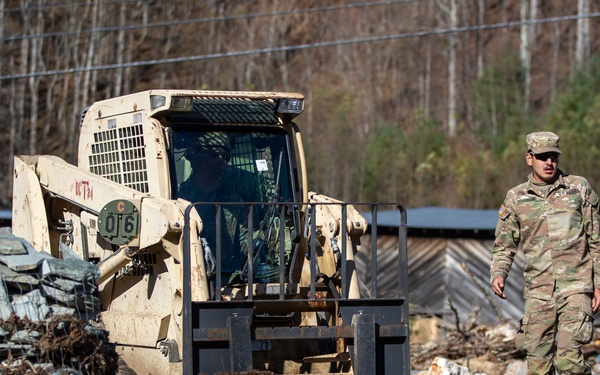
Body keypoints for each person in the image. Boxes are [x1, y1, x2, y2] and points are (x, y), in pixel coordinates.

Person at [491, 131, 600, 375]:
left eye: (553, 157)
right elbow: (504, 245)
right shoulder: (516, 198)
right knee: (538, 365)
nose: (549, 163)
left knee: (568, 361)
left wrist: (599, 284)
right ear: (529, 158)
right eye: (542, 157)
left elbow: (596, 240)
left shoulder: (578, 188)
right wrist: (498, 273)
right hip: (538, 291)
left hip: (576, 286)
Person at [178, 132, 248, 279]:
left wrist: (261, 241)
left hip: (228, 281)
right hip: (188, 279)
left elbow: (243, 238)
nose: (220, 161)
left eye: (224, 156)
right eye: (213, 155)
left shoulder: (233, 201)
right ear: (197, 160)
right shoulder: (178, 199)